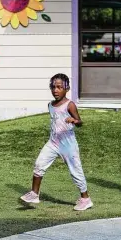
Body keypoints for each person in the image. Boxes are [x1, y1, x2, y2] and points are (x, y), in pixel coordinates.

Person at [20, 73, 93, 211]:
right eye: (53, 87)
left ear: (67, 88)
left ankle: (85, 199)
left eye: (59, 87)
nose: (56, 90)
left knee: (76, 171)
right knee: (39, 164)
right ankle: (34, 194)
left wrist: (74, 120)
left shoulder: (70, 105)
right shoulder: (50, 105)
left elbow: (80, 122)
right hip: (53, 143)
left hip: (68, 145)